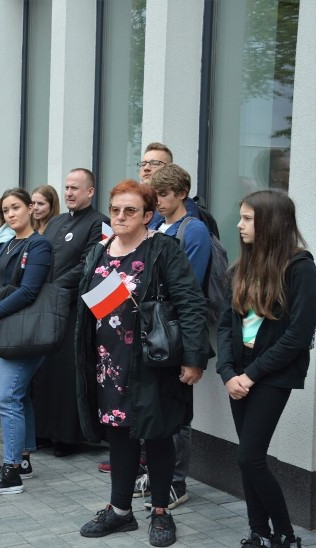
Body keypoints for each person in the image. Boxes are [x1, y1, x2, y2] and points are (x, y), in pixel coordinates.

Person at [76, 180, 208, 547]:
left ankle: (161, 511)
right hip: (110, 362)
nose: (120, 216)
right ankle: (120, 512)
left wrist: (195, 358)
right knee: (119, 434)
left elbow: (190, 303)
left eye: (130, 210)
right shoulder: (99, 249)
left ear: (148, 215)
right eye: (116, 209)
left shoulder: (163, 249)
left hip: (153, 361)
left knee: (158, 433)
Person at [217, 190, 315, 548]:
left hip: (271, 374)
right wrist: (228, 372)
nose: (240, 225)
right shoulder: (242, 265)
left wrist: (250, 375)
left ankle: (286, 536)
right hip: (239, 373)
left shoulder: (300, 266)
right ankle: (258, 532)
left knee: (249, 457)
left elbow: (298, 335)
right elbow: (226, 325)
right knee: (249, 460)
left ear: (270, 224)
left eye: (247, 219)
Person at [0, 188, 53, 494]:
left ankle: (11, 472)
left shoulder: (40, 245)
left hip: (23, 333)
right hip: (1, 330)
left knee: (6, 398)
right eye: (5, 210)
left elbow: (30, 291)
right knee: (18, 397)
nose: (10, 213)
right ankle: (23, 460)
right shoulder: (6, 244)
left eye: (16, 207)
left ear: (31, 208)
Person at [144, 164, 212, 508]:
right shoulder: (156, 224)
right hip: (151, 329)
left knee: (177, 410)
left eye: (164, 195)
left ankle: (176, 481)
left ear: (182, 194)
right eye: (154, 195)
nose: (157, 201)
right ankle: (156, 474)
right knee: (155, 404)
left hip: (175, 331)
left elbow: (189, 288)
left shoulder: (193, 230)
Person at [33, 169, 108, 456]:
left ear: (90, 191)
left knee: (68, 372)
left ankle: (66, 436)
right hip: (46, 307)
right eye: (66, 188)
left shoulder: (100, 222)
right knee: (44, 370)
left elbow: (90, 264)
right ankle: (43, 431)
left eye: (75, 188)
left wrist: (54, 288)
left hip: (74, 309)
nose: (69, 193)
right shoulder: (57, 222)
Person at [139, 142, 220, 238]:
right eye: (143, 164)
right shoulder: (138, 205)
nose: (146, 168)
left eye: (154, 163)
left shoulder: (186, 213)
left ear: (169, 168)